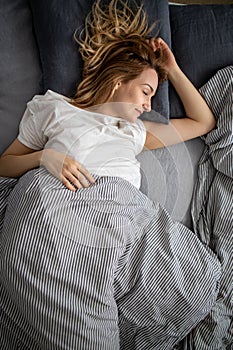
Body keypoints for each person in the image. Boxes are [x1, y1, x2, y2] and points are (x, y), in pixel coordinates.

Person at [0, 1, 220, 349]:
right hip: (52, 207)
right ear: (118, 81)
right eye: (146, 92)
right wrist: (47, 158)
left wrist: (172, 69)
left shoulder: (133, 133)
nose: (149, 106)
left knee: (196, 278)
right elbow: (4, 165)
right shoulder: (54, 108)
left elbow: (203, 122)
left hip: (115, 221)